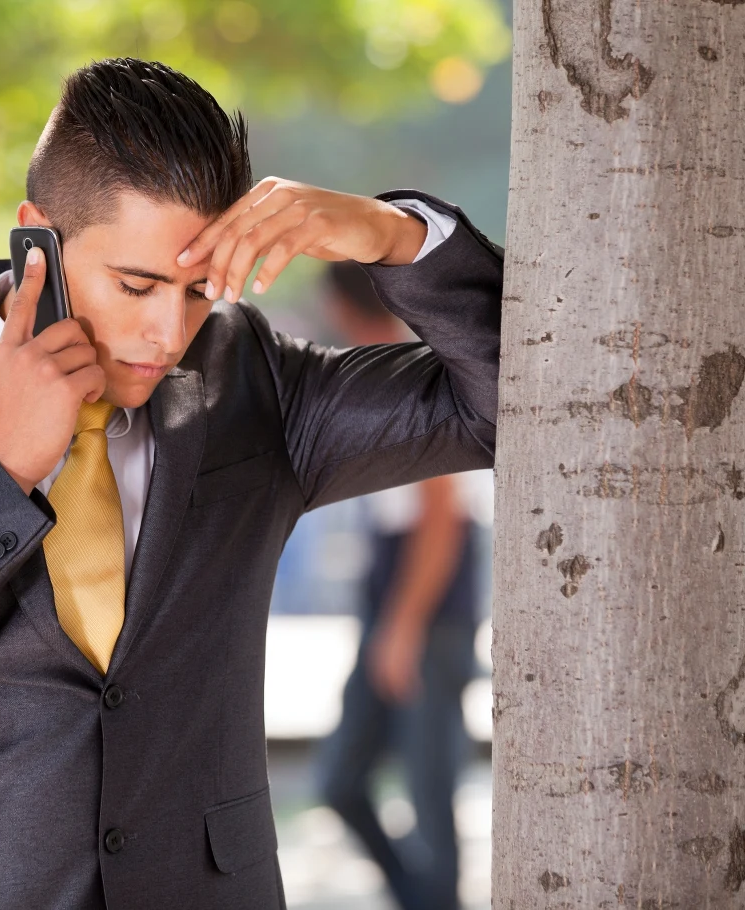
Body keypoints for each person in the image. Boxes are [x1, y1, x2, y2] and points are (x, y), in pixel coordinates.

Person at [0, 57, 502, 910]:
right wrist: (1, 471)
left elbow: (507, 402)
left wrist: (390, 233)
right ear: (36, 235)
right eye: (137, 284)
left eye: (197, 291)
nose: (168, 334)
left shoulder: (254, 382)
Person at [315, 261, 483, 910]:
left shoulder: (415, 368)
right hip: (391, 604)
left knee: (428, 790)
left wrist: (403, 628)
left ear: (342, 303)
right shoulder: (380, 366)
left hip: (426, 613)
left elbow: (442, 517)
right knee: (340, 780)